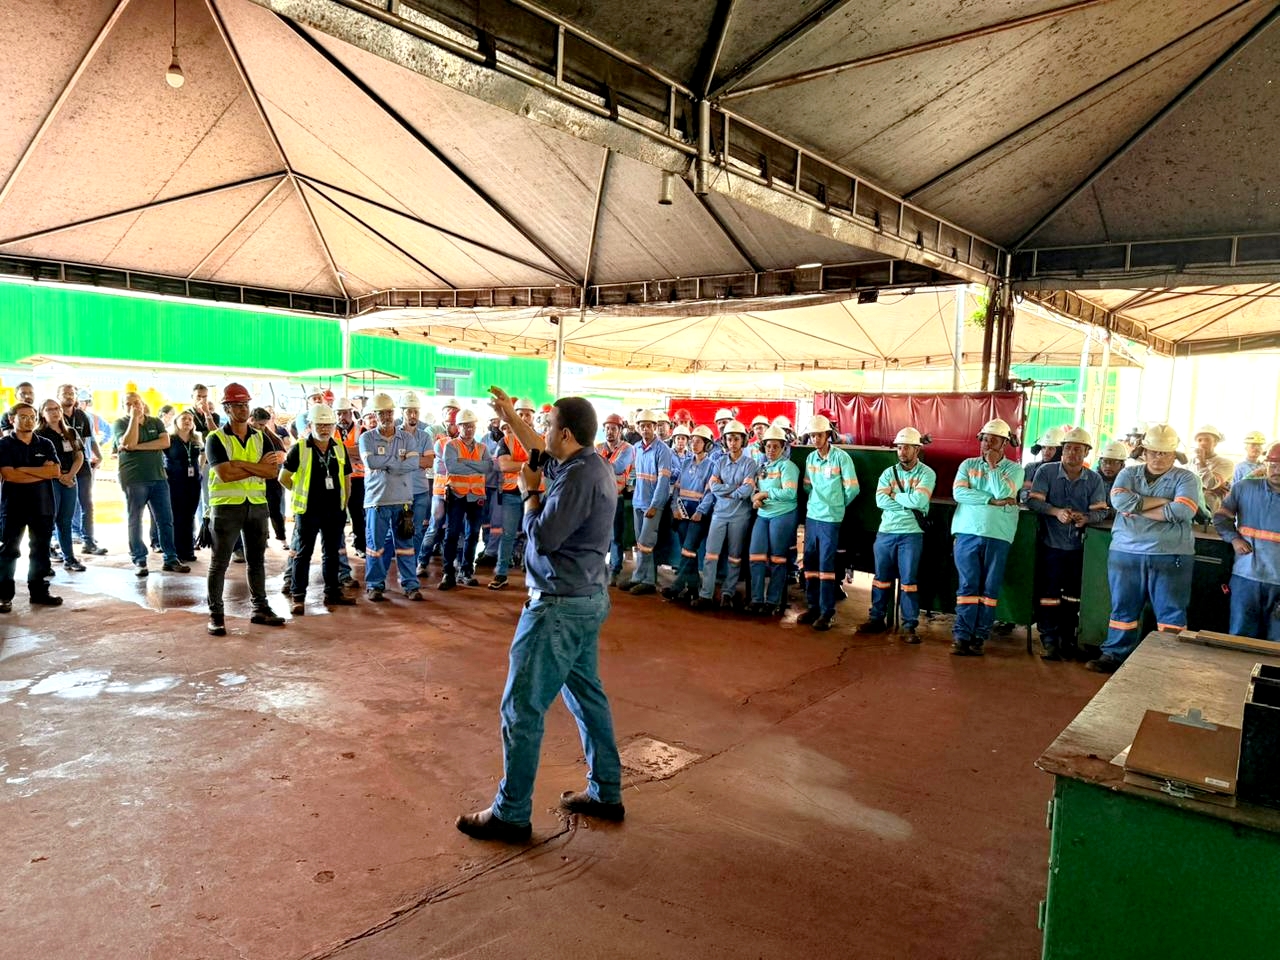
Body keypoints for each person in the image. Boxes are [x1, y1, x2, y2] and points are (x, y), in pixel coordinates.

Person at [455, 388, 623, 843]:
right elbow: (539, 451)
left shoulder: (574, 479)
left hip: (557, 606)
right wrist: (512, 417)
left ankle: (511, 813)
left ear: (565, 434)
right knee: (587, 697)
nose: (542, 432)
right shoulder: (586, 463)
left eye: (548, 426)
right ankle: (606, 791)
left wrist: (530, 493)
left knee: (521, 708)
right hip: (585, 598)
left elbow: (544, 537)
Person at [1088, 424, 1202, 673]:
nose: (1158, 457)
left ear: (1174, 455)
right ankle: (1114, 654)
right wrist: (1164, 502)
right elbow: (1119, 501)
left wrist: (1137, 508)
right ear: (1144, 452)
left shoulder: (1186, 478)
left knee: (1170, 612)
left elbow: (1184, 510)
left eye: (1164, 453)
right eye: (1153, 452)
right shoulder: (1128, 474)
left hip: (1171, 555)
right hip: (1126, 553)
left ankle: (1167, 662)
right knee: (1123, 608)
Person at [204, 384, 286, 635]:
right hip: (226, 507)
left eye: (245, 404)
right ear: (227, 409)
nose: (243, 409)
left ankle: (260, 608)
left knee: (256, 561)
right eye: (237, 405)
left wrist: (239, 463)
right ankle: (216, 615)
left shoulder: (261, 437)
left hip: (257, 506)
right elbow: (225, 474)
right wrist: (255, 466)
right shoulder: (215, 438)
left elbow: (271, 471)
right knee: (219, 563)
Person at [1025, 428, 1109, 661]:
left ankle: (1067, 637)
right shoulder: (1046, 472)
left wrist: (1086, 518)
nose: (1072, 453)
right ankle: (1049, 639)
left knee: (1073, 596)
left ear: (1086, 452)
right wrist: (1056, 512)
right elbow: (1033, 502)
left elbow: (1101, 511)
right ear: (1062, 450)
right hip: (1050, 545)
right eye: (1069, 448)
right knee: (1049, 593)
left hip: (1079, 549)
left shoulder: (1094, 479)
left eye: (1078, 449)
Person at [950, 418, 1024, 656]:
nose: (987, 444)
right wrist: (990, 500)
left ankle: (979, 637)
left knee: (989, 589)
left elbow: (1004, 491)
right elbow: (959, 493)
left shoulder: (1015, 470)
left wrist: (992, 467)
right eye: (984, 439)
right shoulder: (967, 465)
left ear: (1005, 443)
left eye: (994, 440)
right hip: (967, 532)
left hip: (998, 535)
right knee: (968, 585)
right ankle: (962, 636)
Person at [279, 403, 357, 614]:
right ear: (311, 425)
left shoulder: (339, 447)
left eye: (328, 425)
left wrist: (344, 503)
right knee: (303, 554)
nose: (324, 429)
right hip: (308, 511)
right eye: (320, 425)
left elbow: (346, 478)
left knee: (331, 553)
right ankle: (298, 596)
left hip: (334, 510)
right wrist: (299, 492)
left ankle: (333, 593)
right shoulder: (300, 449)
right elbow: (283, 478)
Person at [860, 427, 935, 642]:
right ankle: (876, 618)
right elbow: (879, 501)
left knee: (909, 581)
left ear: (917, 449)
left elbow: (920, 501)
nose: (902, 452)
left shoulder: (927, 473)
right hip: (886, 532)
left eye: (906, 448)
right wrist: (906, 501)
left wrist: (894, 495)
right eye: (899, 447)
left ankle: (909, 626)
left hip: (911, 534)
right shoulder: (887, 473)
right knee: (881, 579)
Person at [358, 392, 424, 602]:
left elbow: (413, 464)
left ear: (393, 413)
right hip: (376, 501)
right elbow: (371, 463)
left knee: (406, 547)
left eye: (389, 412)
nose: (386, 417)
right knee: (375, 547)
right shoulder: (367, 438)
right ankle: (374, 585)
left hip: (402, 502)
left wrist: (386, 462)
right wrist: (398, 461)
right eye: (381, 413)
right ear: (374, 415)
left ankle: (411, 585)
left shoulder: (407, 438)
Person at [114, 391, 187, 577]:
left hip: (158, 477)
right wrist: (133, 420)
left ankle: (171, 558)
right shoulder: (120, 423)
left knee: (165, 519)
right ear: (123, 407)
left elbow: (165, 442)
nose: (134, 406)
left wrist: (136, 447)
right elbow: (128, 441)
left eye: (136, 402)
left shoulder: (155, 421)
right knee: (135, 519)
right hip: (134, 478)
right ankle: (139, 559)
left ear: (143, 403)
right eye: (129, 404)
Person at [1213, 442, 1280, 641]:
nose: (1277, 470)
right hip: (1246, 577)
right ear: (1266, 464)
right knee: (1241, 636)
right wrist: (1234, 539)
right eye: (1273, 465)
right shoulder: (1244, 488)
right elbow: (1221, 517)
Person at [798, 414, 859, 631]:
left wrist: (836, 505)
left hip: (831, 519)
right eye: (812, 435)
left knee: (826, 566)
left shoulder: (842, 458)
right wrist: (818, 502)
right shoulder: (810, 458)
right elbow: (807, 486)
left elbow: (853, 488)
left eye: (819, 435)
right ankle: (813, 607)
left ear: (828, 435)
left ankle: (827, 613)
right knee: (810, 563)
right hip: (812, 516)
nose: (815, 439)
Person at [0, 402, 62, 612]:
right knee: (9, 551)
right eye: (23, 417)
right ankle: (4, 596)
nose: (29, 421)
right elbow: (9, 475)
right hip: (13, 507)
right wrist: (40, 471)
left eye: (32, 417)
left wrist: (23, 469)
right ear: (12, 419)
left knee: (40, 550)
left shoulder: (45, 443)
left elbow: (55, 472)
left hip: (42, 506)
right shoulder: (4, 445)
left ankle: (39, 592)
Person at [693, 420, 757, 610]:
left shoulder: (750, 464)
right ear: (725, 441)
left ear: (743, 440)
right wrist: (735, 489)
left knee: (734, 558)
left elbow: (746, 491)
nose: (732, 443)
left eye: (736, 439)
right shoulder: (719, 462)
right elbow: (714, 487)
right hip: (719, 515)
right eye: (729, 439)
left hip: (740, 517)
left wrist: (727, 490)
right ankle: (706, 595)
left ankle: (728, 593)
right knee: (710, 555)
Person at [748, 425, 799, 615]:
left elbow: (790, 493)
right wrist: (755, 499)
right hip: (763, 515)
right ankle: (756, 599)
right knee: (756, 556)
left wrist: (766, 494)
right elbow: (756, 491)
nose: (771, 450)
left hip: (783, 515)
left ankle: (772, 601)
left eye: (775, 446)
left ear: (783, 447)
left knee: (778, 558)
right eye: (768, 446)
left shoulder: (788, 467)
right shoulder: (763, 467)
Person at [664, 425, 717, 603]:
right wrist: (674, 508)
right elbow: (677, 490)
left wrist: (701, 511)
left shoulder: (712, 466)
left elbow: (710, 493)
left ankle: (677, 586)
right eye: (692, 441)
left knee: (688, 549)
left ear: (707, 444)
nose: (694, 444)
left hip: (698, 516)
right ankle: (693, 588)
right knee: (689, 552)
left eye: (698, 441)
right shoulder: (685, 463)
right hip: (682, 514)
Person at [439, 410, 491, 590]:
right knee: (452, 534)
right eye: (466, 426)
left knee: (473, 535)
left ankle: (466, 571)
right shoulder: (451, 445)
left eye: (472, 426)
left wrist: (465, 462)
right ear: (458, 427)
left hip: (476, 496)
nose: (469, 430)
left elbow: (487, 467)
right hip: (456, 494)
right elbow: (452, 467)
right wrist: (476, 466)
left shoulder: (482, 448)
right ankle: (448, 573)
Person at [36, 399, 86, 573]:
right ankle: (43, 562)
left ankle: (69, 558)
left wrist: (69, 475)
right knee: (48, 521)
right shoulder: (38, 434)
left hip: (70, 479)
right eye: (49, 409)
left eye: (57, 408)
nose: (55, 412)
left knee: (65, 521)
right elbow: (40, 462)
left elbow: (79, 456)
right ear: (42, 413)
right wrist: (59, 476)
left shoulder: (70, 432)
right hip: (50, 481)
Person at [627, 410, 673, 595]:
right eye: (642, 426)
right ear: (638, 428)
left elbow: (663, 481)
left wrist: (655, 505)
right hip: (638, 501)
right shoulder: (636, 447)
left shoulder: (663, 450)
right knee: (641, 543)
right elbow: (634, 472)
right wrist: (631, 487)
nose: (645, 429)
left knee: (646, 542)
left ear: (655, 427)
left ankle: (641, 579)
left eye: (648, 426)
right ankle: (645, 580)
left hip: (652, 504)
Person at [58, 384, 106, 555]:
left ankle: (88, 541)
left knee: (87, 503)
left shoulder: (82, 416)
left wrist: (99, 455)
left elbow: (88, 439)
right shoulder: (54, 414)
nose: (69, 396)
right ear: (58, 395)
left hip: (82, 463)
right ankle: (58, 542)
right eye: (65, 393)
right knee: (61, 505)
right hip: (61, 466)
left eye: (72, 393)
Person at [397, 391, 436, 578]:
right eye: (409, 411)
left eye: (416, 412)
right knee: (400, 531)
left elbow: (429, 462)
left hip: (420, 491)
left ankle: (412, 568)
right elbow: (393, 461)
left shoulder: (425, 436)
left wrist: (405, 459)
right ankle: (404, 568)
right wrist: (416, 459)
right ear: (402, 412)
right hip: (399, 492)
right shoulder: (395, 435)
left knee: (418, 531)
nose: (413, 415)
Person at [597, 413, 635, 587]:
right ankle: (597, 568)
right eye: (607, 428)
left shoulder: (627, 449)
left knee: (615, 536)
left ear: (620, 431)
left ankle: (614, 569)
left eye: (613, 428)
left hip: (616, 497)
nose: (610, 432)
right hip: (598, 498)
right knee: (597, 534)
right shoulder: (598, 447)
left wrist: (597, 466)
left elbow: (618, 467)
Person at [488, 421, 524, 590]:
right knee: (508, 534)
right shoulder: (506, 441)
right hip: (512, 493)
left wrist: (515, 464)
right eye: (520, 414)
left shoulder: (541, 439)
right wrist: (529, 464)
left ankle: (536, 576)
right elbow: (504, 465)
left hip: (534, 493)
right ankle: (501, 574)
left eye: (527, 414)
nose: (523, 418)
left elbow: (544, 464)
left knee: (535, 535)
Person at [164, 410, 203, 564]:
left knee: (189, 515)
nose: (187, 421)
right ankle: (177, 551)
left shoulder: (196, 439)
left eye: (190, 419)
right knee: (177, 516)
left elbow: (203, 453)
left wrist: (200, 468)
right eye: (184, 419)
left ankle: (188, 550)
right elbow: (158, 455)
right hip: (175, 482)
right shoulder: (170, 439)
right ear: (176, 421)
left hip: (193, 482)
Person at [251, 408, 289, 542]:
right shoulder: (245, 436)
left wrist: (257, 464)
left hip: (272, 479)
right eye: (260, 424)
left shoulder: (272, 438)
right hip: (253, 481)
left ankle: (282, 537)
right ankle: (263, 538)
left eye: (264, 424)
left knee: (274, 511)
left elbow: (280, 457)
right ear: (251, 420)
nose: (262, 427)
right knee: (257, 513)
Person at [335, 397, 366, 560]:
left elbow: (363, 454)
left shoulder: (362, 431)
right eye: (339, 414)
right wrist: (351, 451)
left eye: (345, 413)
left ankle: (360, 545)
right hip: (336, 478)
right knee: (336, 514)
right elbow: (329, 452)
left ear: (351, 413)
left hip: (357, 478)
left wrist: (340, 450)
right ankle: (337, 547)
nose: (342, 417)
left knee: (358, 514)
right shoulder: (330, 430)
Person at [1190, 424, 1233, 514]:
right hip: (1190, 507)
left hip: (1211, 512)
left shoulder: (1225, 463)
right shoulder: (1191, 462)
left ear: (1215, 442)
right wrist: (1204, 488)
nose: (1202, 443)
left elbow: (1210, 484)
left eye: (1207, 440)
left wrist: (1202, 462)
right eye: (1199, 440)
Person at [1020, 426, 1066, 502]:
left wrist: (1033, 486)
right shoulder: (1030, 467)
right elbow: (1023, 494)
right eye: (1043, 447)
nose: (1046, 452)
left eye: (1051, 448)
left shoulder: (1065, 471)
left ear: (1060, 451)